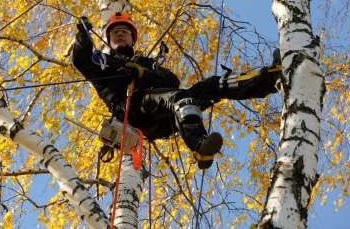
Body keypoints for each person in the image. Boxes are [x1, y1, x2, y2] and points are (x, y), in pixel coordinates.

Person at [71, 12, 281, 169]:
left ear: (132, 38)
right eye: (115, 33)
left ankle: (269, 80)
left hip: (163, 115)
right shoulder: (103, 61)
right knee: (178, 97)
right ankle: (200, 146)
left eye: (124, 32)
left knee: (212, 85)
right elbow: (81, 59)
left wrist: (143, 73)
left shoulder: (146, 63)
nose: (119, 35)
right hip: (130, 111)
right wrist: (82, 37)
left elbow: (171, 79)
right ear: (108, 39)